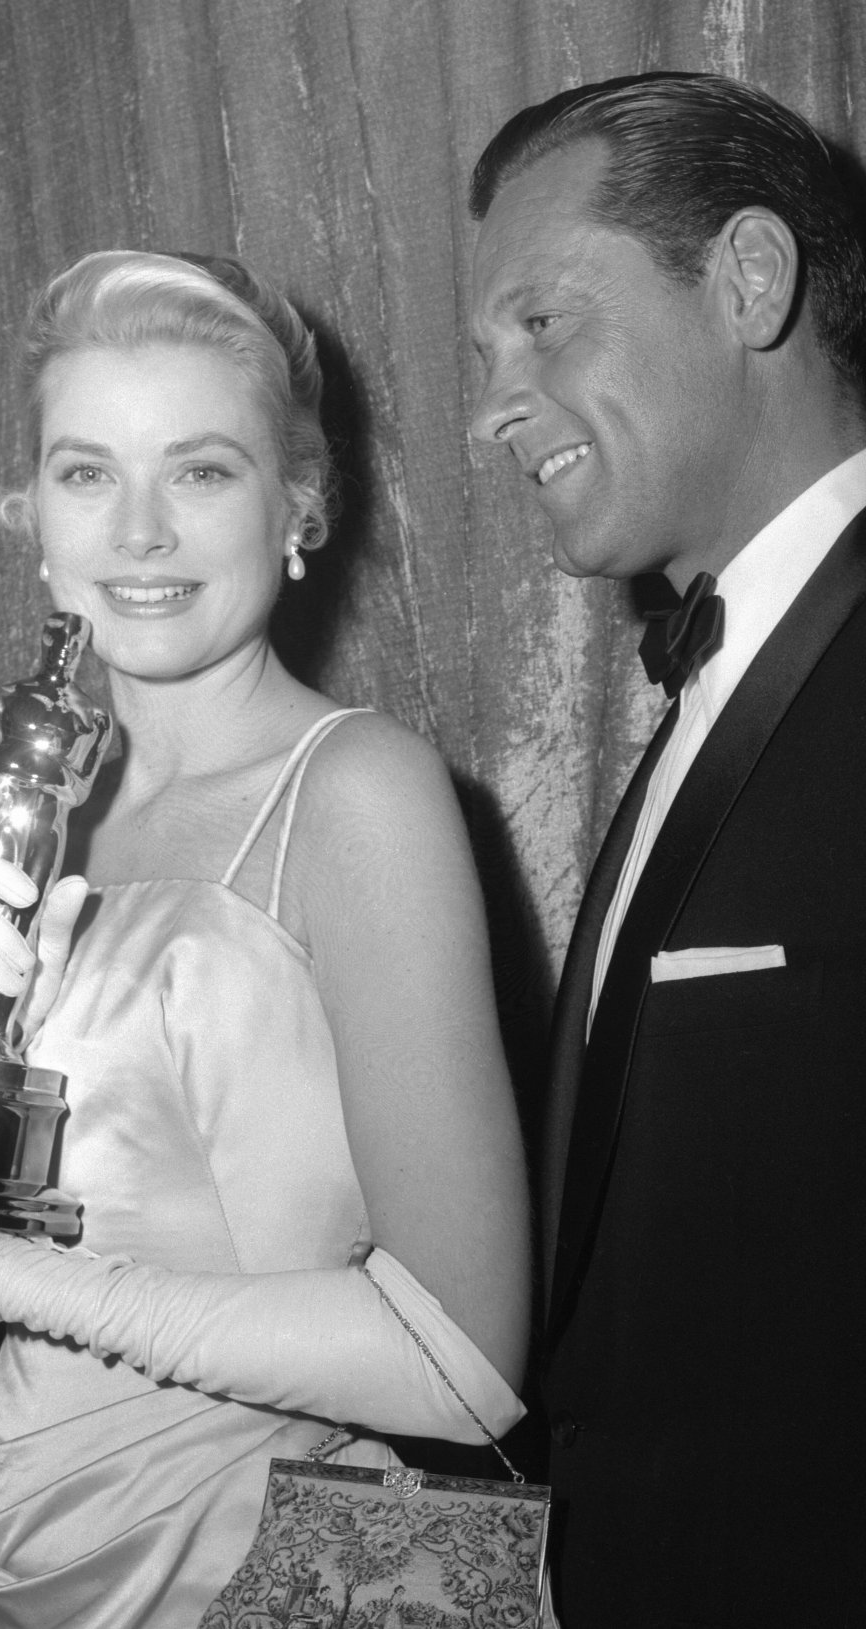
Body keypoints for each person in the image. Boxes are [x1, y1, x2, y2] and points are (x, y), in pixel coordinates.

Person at [0, 250, 531, 1627]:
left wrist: (21, 1278)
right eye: (86, 473)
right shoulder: (42, 802)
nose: (137, 531)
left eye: (199, 471)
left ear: (298, 508)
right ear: (34, 519)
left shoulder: (360, 792)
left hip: (263, 1575)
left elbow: (464, 1365)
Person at [468, 71, 866, 1627]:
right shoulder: (720, 668)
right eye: (484, 353)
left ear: (749, 280)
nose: (492, 400)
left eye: (541, 322)